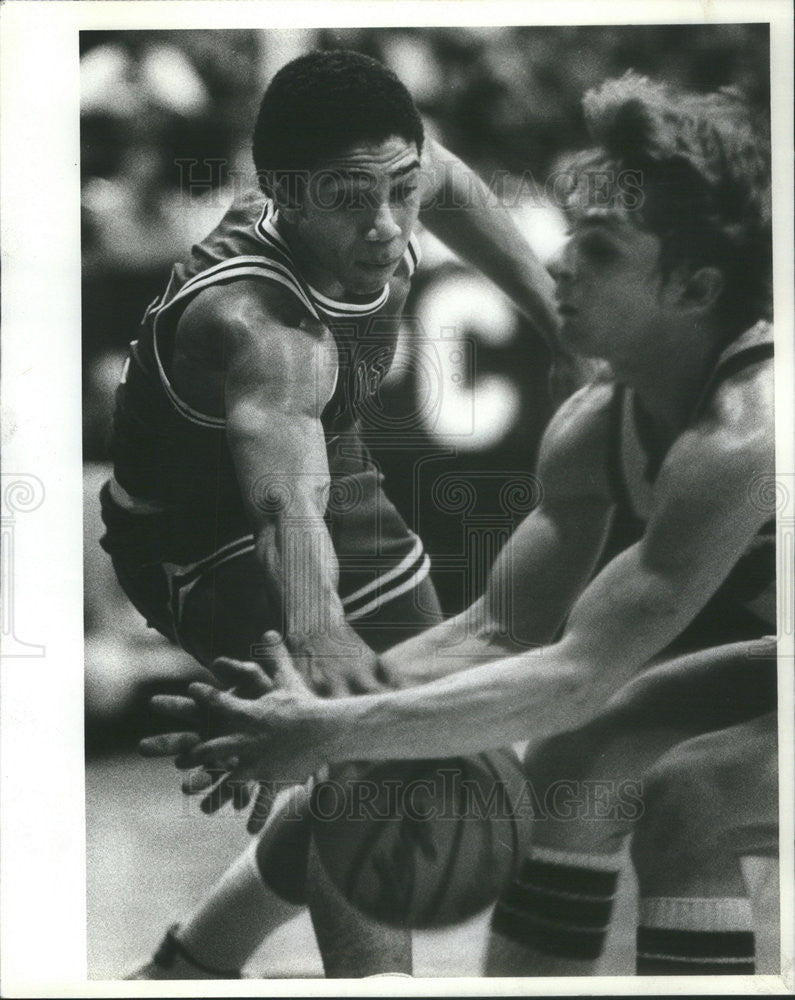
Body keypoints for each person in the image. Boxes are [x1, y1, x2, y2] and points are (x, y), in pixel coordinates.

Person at [145, 73, 778, 975]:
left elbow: (573, 673)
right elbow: (501, 630)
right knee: (567, 765)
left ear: (692, 286)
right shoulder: (599, 421)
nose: (555, 265)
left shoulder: (748, 430)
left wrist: (332, 731)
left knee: (694, 801)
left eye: (595, 251)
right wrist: (307, 711)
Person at [101, 48, 572, 979]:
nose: (389, 223)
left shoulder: (394, 172)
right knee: (369, 761)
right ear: (281, 190)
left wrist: (563, 321)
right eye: (353, 198)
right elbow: (282, 513)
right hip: (199, 535)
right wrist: (321, 662)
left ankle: (190, 965)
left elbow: (452, 181)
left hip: (328, 466)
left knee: (427, 726)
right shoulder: (255, 326)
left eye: (399, 189)